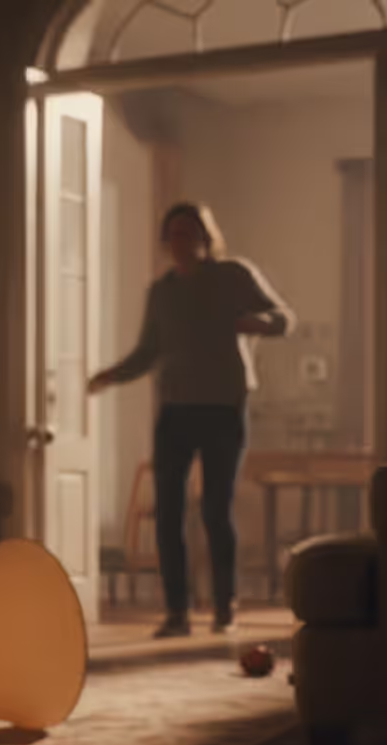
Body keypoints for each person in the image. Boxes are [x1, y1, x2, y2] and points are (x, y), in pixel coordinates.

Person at [87, 201, 294, 638]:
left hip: (223, 407)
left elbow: (284, 319)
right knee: (169, 513)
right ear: (166, 242)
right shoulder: (161, 292)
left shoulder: (234, 275)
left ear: (206, 238)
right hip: (175, 411)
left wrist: (257, 322)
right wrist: (109, 376)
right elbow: (147, 353)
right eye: (175, 235)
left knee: (216, 509)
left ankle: (224, 607)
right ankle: (177, 611)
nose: (183, 242)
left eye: (191, 233)